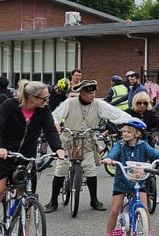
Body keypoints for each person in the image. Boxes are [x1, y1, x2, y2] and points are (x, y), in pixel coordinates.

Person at [0, 80, 66, 236]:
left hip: (25, 158)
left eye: (48, 98)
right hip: (1, 156)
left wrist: (58, 148)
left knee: (28, 199)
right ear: (31, 97)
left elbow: (50, 130)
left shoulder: (43, 111)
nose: (46, 101)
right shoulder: (9, 105)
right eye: (44, 98)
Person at [46, 80, 132, 212]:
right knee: (61, 168)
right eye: (89, 93)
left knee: (91, 169)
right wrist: (56, 124)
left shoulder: (98, 104)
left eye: (94, 93)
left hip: (87, 141)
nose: (92, 96)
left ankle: (94, 200)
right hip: (68, 140)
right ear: (81, 93)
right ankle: (53, 201)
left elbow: (116, 113)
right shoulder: (69, 102)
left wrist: (133, 121)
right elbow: (55, 116)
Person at [100, 119, 159, 236]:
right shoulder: (120, 145)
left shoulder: (143, 145)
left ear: (137, 134)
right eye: (123, 132)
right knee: (115, 209)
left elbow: (154, 153)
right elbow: (113, 153)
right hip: (122, 181)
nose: (124, 134)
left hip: (139, 181)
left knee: (144, 209)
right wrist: (109, 158)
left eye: (128, 132)